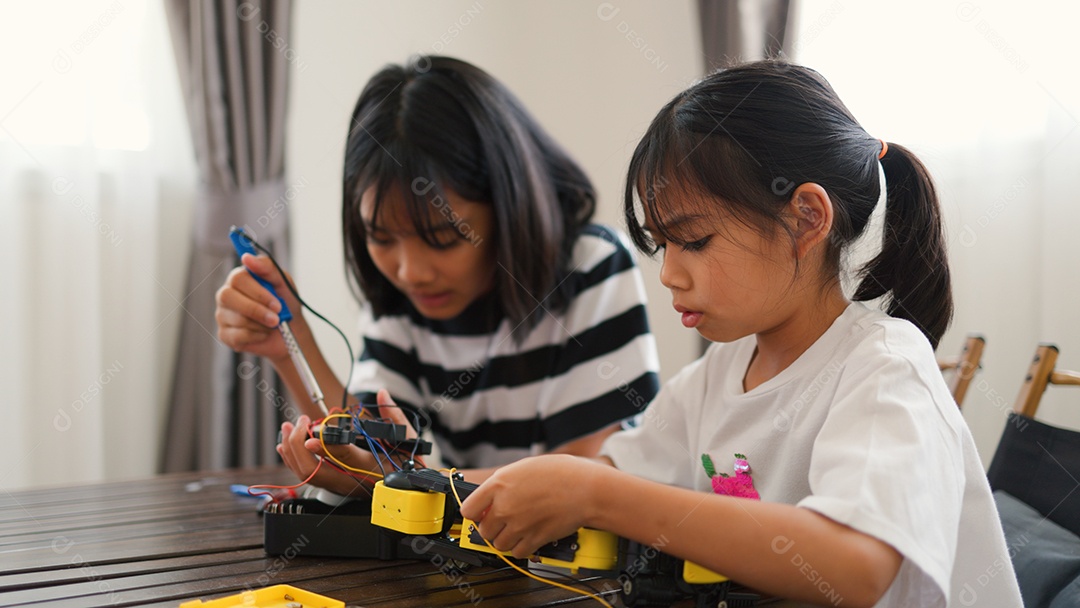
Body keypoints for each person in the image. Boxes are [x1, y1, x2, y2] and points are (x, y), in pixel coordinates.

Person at [459, 61, 1023, 607]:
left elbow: (858, 565)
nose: (669, 274)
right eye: (661, 245)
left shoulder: (883, 366)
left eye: (694, 241)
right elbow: (610, 472)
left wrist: (597, 496)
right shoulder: (717, 376)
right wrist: (430, 479)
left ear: (806, 218)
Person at [215, 56, 660, 496]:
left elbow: (581, 480)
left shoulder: (590, 268)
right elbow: (377, 450)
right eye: (380, 237)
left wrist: (403, 482)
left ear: (508, 206)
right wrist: (291, 344)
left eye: (444, 238)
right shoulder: (400, 295)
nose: (410, 272)